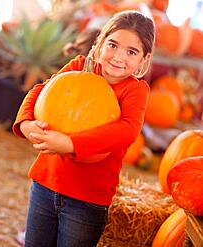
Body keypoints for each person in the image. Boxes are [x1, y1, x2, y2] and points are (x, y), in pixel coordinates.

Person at [12, 10, 155, 247]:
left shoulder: (135, 91)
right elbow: (40, 91)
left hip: (87, 199)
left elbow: (127, 130)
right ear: (100, 44)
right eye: (113, 45)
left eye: (131, 52)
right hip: (46, 183)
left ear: (143, 60)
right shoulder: (79, 66)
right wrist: (26, 123)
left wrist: (70, 144)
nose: (118, 57)